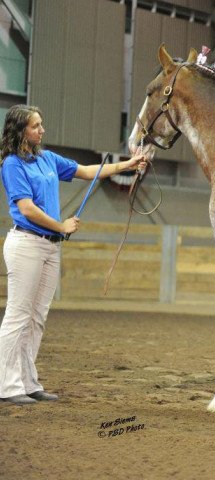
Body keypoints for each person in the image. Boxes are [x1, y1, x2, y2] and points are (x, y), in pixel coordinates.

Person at [0, 104, 146, 405]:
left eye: (41, 124)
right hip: (27, 243)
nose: (42, 130)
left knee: (37, 316)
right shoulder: (12, 164)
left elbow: (88, 171)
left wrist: (127, 164)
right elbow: (26, 209)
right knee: (18, 315)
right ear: (20, 130)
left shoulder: (48, 158)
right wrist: (61, 225)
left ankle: (28, 382)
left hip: (50, 245)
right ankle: (6, 384)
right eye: (35, 126)